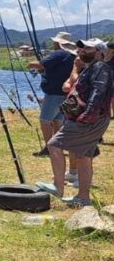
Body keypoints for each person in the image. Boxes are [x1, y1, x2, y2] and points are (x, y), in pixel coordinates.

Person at [36, 39, 113, 207]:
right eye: (81, 47)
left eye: (88, 48)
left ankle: (58, 187)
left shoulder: (100, 68)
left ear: (100, 52)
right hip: (93, 117)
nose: (82, 50)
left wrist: (87, 115)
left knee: (54, 144)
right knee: (84, 156)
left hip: (89, 118)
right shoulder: (91, 68)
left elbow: (98, 93)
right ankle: (83, 197)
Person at [27, 33, 76, 157]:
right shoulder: (72, 55)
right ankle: (57, 146)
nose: (54, 44)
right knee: (57, 120)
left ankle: (49, 148)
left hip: (54, 94)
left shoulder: (59, 53)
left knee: (45, 120)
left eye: (55, 42)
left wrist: (30, 64)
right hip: (65, 94)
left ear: (58, 43)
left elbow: (40, 64)